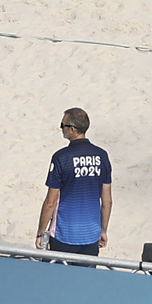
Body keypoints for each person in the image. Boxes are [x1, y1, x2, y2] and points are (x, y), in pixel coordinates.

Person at [36, 109, 112, 255]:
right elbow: (107, 201)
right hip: (91, 234)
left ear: (72, 129)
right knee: (86, 277)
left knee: (61, 277)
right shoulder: (102, 156)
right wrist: (103, 230)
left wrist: (40, 232)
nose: (61, 129)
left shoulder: (61, 157)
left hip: (64, 234)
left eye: (62, 125)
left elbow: (50, 202)